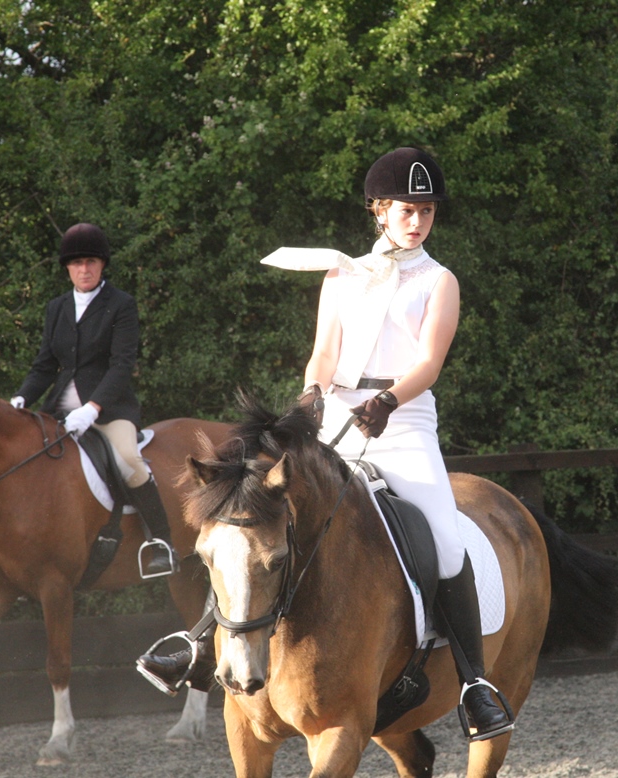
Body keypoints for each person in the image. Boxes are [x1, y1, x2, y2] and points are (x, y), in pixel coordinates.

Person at [137, 148, 514, 740]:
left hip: (403, 424)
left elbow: (429, 362)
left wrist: (388, 399)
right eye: (406, 210)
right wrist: (313, 392)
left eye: (426, 211)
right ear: (379, 210)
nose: (418, 221)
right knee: (250, 513)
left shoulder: (439, 280)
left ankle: (474, 684)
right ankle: (199, 644)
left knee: (444, 541)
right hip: (334, 418)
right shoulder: (342, 274)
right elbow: (323, 353)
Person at [11, 222, 177, 579]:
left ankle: (162, 542)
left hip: (109, 410)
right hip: (58, 410)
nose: (83, 269)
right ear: (67, 268)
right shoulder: (56, 308)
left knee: (128, 460)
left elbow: (121, 365)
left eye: (90, 262)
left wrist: (92, 408)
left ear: (102, 265)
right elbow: (45, 365)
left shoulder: (120, 305)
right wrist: (22, 397)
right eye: (76, 263)